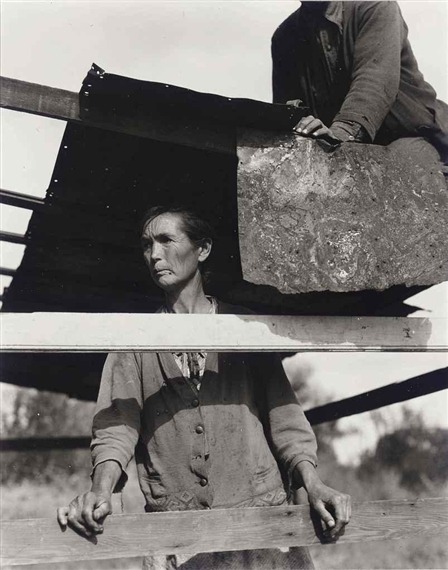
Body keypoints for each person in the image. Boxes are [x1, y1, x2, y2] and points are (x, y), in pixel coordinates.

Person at [57, 205, 351, 569]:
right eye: (147, 245)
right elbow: (116, 427)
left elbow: (286, 421)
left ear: (203, 249)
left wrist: (314, 483)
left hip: (262, 532)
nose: (154, 254)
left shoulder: (244, 330)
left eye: (166, 240)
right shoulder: (134, 340)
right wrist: (101, 489)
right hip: (180, 538)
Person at [272, 1, 448, 164]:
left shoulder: (375, 6)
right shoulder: (285, 36)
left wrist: (342, 133)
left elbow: (374, 81)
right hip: (341, 146)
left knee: (395, 170)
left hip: (415, 134)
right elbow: (287, 112)